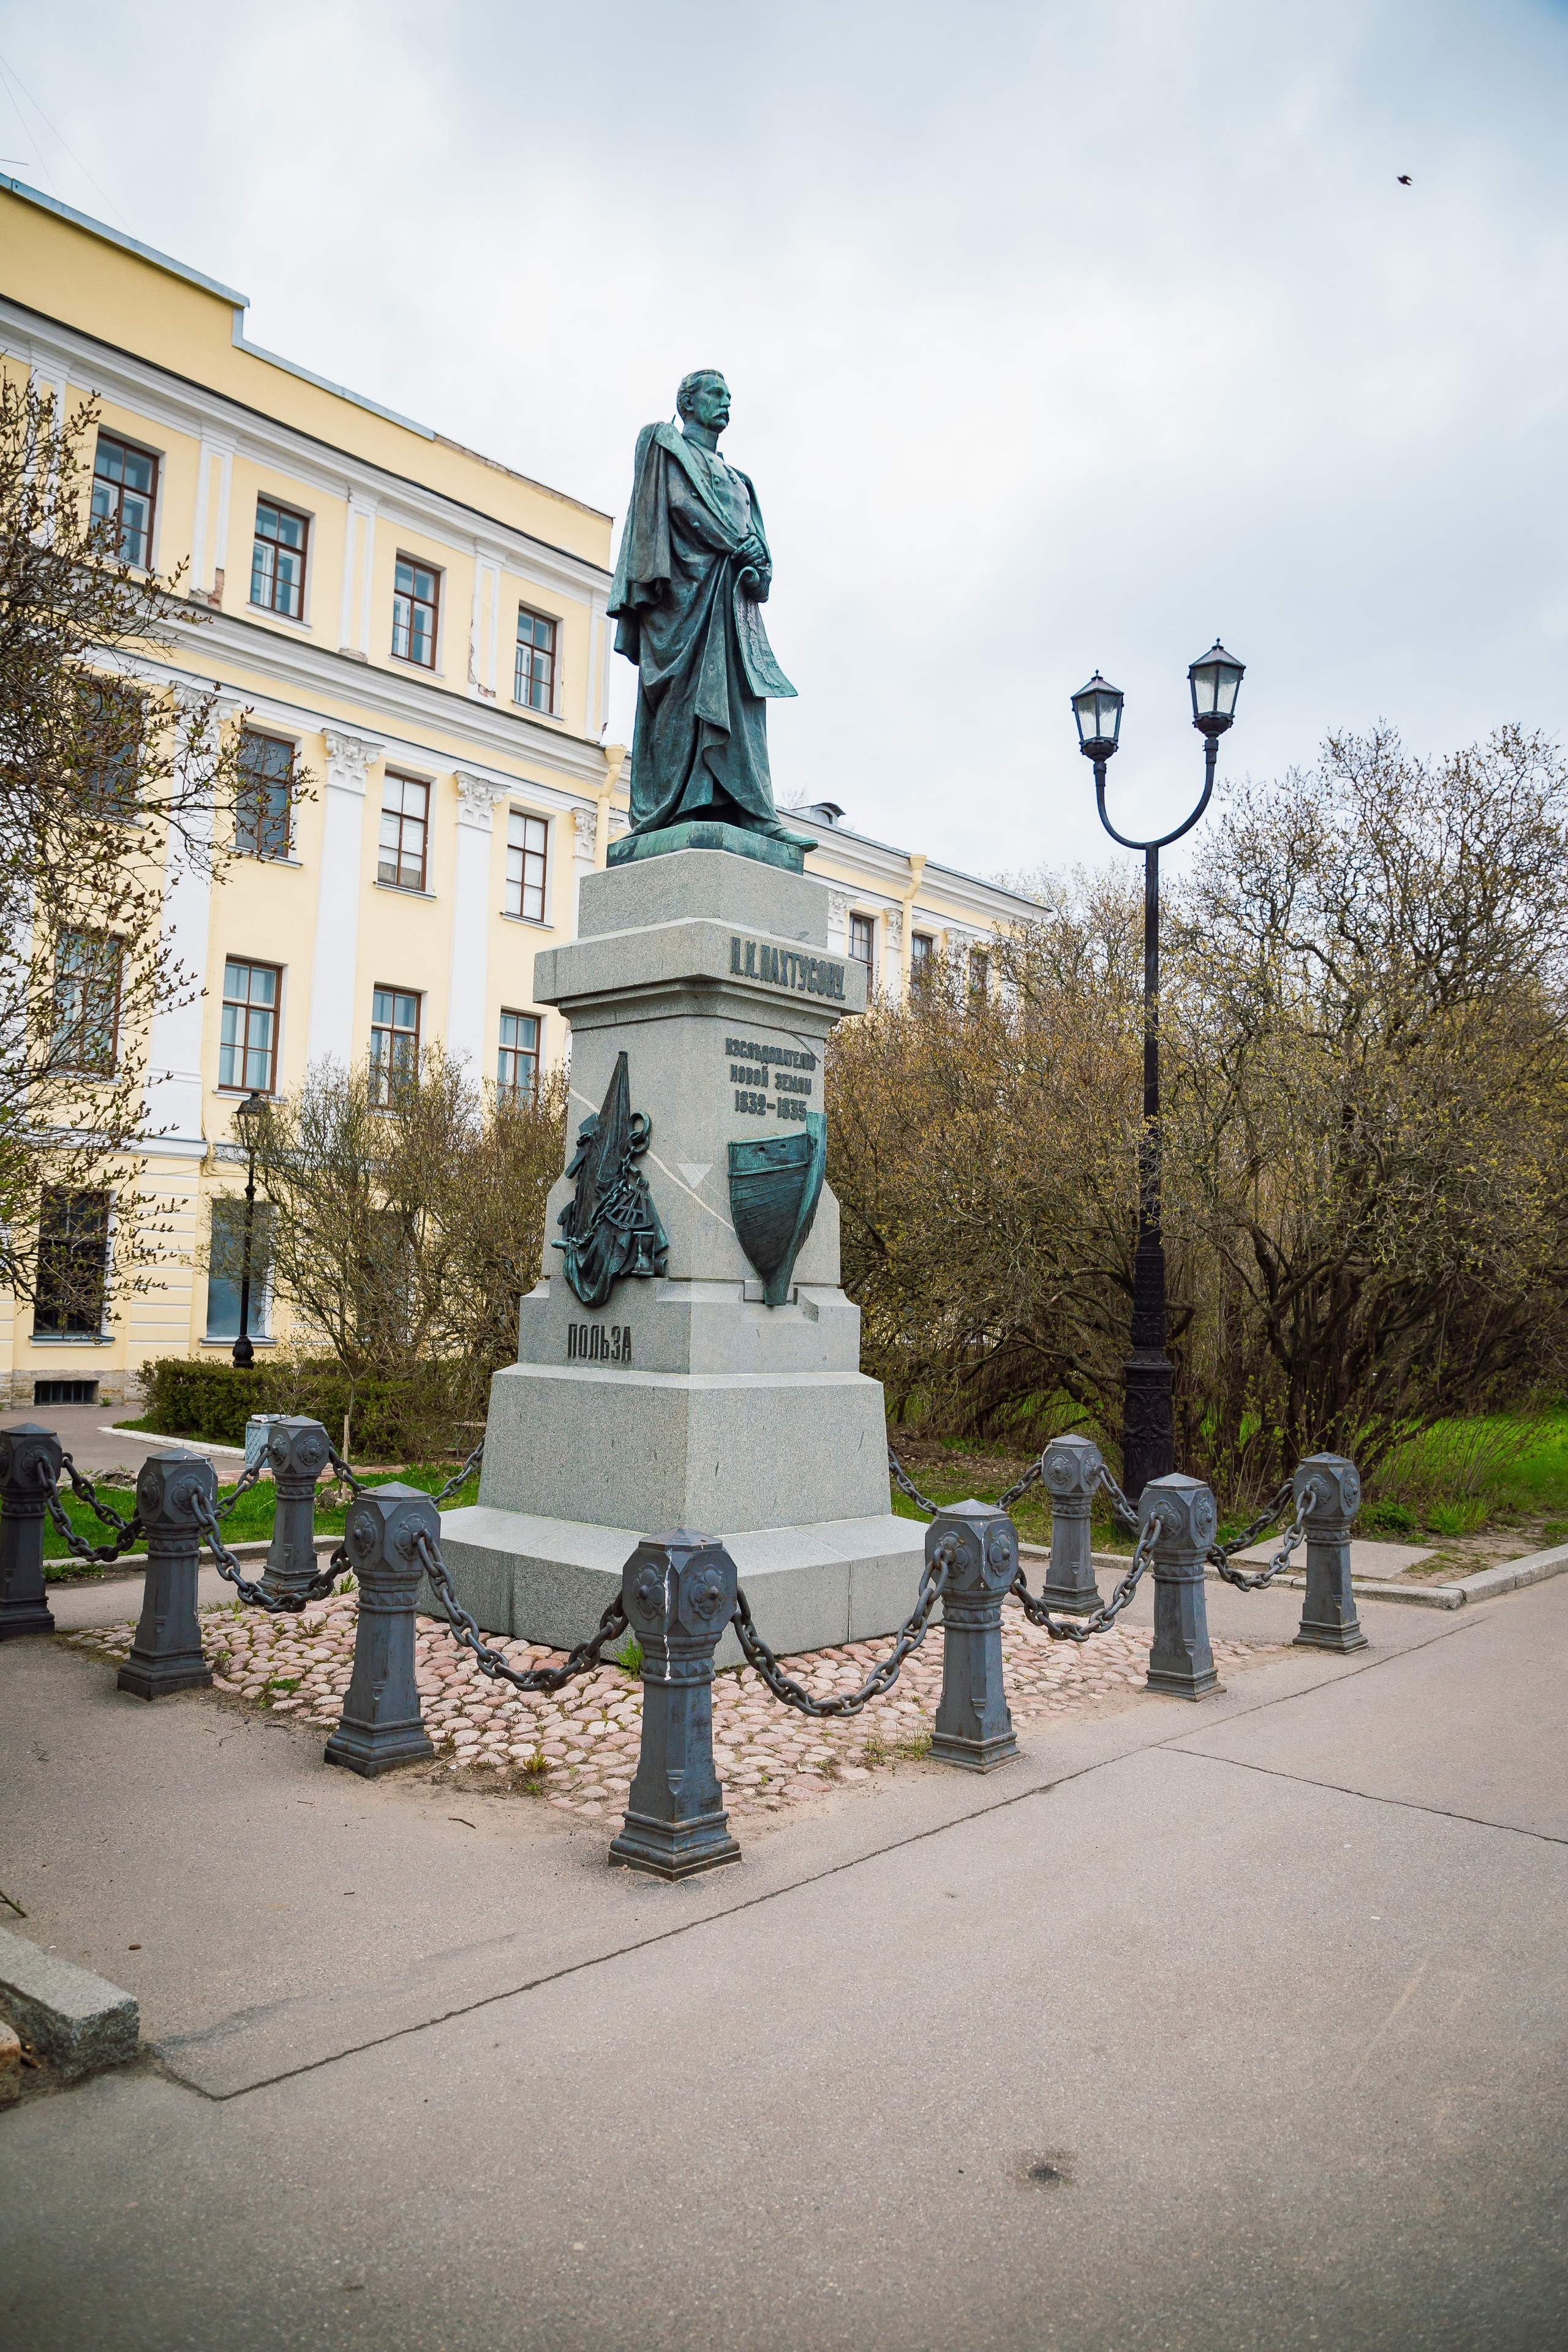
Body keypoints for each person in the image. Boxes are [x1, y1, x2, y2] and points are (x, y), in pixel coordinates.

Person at [608, 370, 798, 840]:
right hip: (680, 603)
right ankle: (681, 808)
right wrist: (738, 544)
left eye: (730, 397)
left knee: (742, 707)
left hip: (732, 606)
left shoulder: (743, 482)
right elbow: (676, 508)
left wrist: (756, 558)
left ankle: (754, 812)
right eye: (715, 394)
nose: (726, 403)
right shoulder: (665, 445)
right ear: (687, 402)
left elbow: (762, 559)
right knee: (684, 704)